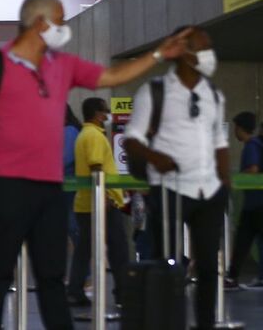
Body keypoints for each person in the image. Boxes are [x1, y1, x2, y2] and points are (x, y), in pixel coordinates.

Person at [0, 0, 188, 330]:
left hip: (50, 189)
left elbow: (112, 77)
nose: (64, 28)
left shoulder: (62, 65)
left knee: (51, 275)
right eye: (61, 21)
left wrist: (157, 54)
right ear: (40, 23)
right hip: (5, 186)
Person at [123, 26, 228, 330]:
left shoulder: (213, 95)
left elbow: (219, 142)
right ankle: (167, 322)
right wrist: (157, 159)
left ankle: (205, 324)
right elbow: (131, 139)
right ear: (182, 51)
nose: (209, 55)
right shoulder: (154, 92)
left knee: (207, 267)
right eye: (202, 47)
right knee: (168, 265)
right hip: (169, 189)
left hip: (209, 190)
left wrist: (225, 184)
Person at [66, 97, 129, 308]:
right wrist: (106, 197)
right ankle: (123, 293)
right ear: (97, 114)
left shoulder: (87, 134)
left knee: (84, 250)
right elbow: (96, 167)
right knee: (118, 249)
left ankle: (75, 290)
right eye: (105, 110)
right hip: (101, 204)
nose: (108, 114)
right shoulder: (93, 136)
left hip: (88, 203)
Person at [225, 112, 263, 289]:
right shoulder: (256, 144)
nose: (235, 132)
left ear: (241, 128)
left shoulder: (251, 146)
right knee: (248, 241)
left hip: (255, 205)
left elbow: (254, 169)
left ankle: (232, 277)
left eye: (236, 128)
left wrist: (238, 179)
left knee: (243, 240)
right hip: (255, 204)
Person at [63, 106, 82, 243]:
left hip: (69, 186)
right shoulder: (70, 130)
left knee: (72, 224)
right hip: (66, 186)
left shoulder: (69, 131)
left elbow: (66, 158)